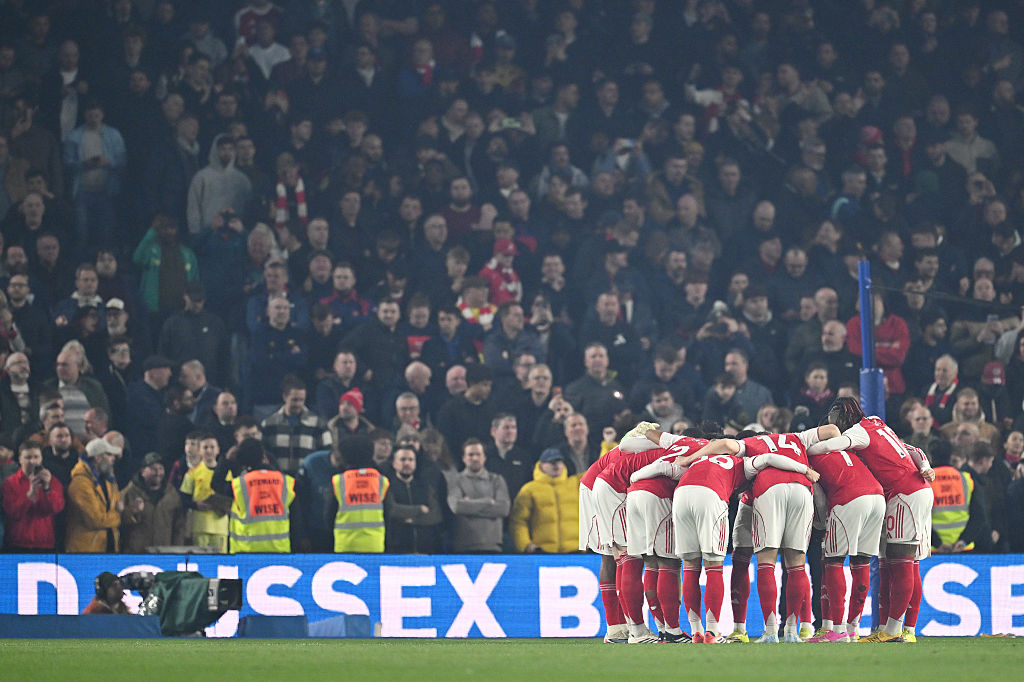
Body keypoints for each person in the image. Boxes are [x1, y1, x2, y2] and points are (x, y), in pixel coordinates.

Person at [631, 426, 826, 643]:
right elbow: (769, 458)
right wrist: (804, 469)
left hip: (681, 496)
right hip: (712, 497)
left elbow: (665, 467)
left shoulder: (698, 460)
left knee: (690, 567)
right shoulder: (742, 463)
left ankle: (696, 631)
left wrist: (634, 477)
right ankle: (713, 631)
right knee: (714, 566)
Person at [808, 397, 936, 643]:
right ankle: (900, 629)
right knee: (904, 563)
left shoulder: (857, 433)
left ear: (843, 415)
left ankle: (893, 631)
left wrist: (804, 448)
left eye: (835, 420)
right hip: (916, 489)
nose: (835, 426)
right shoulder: (876, 422)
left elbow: (831, 445)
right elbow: (912, 449)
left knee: (901, 563)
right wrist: (925, 466)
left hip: (903, 494)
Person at [805, 446, 885, 643]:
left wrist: (820, 525)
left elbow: (819, 499)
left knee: (833, 561)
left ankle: (838, 630)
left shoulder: (811, 456)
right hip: (877, 498)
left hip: (849, 499)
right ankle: (852, 629)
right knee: (862, 562)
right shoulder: (848, 452)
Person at [228, 438, 298, 553]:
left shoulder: (240, 484)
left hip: (246, 550)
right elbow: (296, 516)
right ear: (264, 457)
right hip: (279, 549)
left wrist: (226, 460)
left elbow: (216, 485)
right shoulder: (285, 481)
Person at [509, 448, 581, 554]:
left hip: (576, 551)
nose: (556, 465)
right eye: (551, 462)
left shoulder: (576, 483)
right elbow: (518, 521)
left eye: (559, 461)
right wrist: (526, 545)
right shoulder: (529, 489)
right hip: (543, 552)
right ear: (541, 465)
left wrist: (606, 446)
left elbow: (603, 470)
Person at [260, 374, 332, 475]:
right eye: (294, 400)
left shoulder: (318, 424)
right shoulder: (268, 424)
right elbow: (262, 454)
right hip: (278, 479)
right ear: (285, 397)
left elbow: (327, 454)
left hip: (307, 479)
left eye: (301, 400)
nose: (298, 404)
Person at [448, 438, 510, 553]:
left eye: (478, 454)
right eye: (471, 455)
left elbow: (503, 509)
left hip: (492, 544)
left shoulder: (497, 480)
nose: (475, 458)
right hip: (464, 545)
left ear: (484, 457)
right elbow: (457, 507)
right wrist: (488, 501)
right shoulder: (455, 480)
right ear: (463, 458)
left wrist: (469, 504)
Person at [330, 435, 390, 553]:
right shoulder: (381, 480)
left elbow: (329, 515)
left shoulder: (339, 481)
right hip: (375, 544)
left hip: (345, 545)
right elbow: (388, 514)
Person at [1, 441, 65, 551]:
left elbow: (57, 508)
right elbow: (12, 512)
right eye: (28, 457)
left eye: (36, 457)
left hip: (45, 542)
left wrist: (47, 489)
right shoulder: (9, 483)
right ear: (20, 459)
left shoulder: (52, 481)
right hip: (17, 543)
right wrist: (30, 495)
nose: (32, 461)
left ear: (41, 459)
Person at [64, 436, 124, 553]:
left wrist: (131, 511)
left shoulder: (109, 480)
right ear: (97, 458)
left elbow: (115, 509)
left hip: (106, 549)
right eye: (109, 455)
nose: (113, 459)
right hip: (84, 552)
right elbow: (96, 520)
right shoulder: (80, 483)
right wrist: (119, 516)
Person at [119, 451, 185, 552]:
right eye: (153, 469)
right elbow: (119, 521)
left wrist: (177, 549)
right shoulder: (129, 492)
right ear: (143, 471)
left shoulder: (172, 493)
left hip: (163, 552)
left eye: (160, 468)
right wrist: (131, 511)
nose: (158, 473)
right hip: (137, 553)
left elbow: (179, 525)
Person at [384, 443, 443, 553]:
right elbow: (392, 510)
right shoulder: (387, 487)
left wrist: (414, 520)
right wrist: (419, 509)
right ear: (394, 464)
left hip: (425, 549)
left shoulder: (425, 487)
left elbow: (436, 515)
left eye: (411, 460)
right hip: (397, 550)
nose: (407, 463)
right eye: (402, 459)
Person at [179, 433, 230, 553]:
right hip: (200, 526)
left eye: (212, 447)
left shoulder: (227, 473)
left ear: (218, 450)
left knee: (220, 560)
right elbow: (183, 498)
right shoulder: (192, 473)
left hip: (220, 526)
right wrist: (196, 505)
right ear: (199, 450)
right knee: (201, 560)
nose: (209, 451)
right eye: (205, 447)